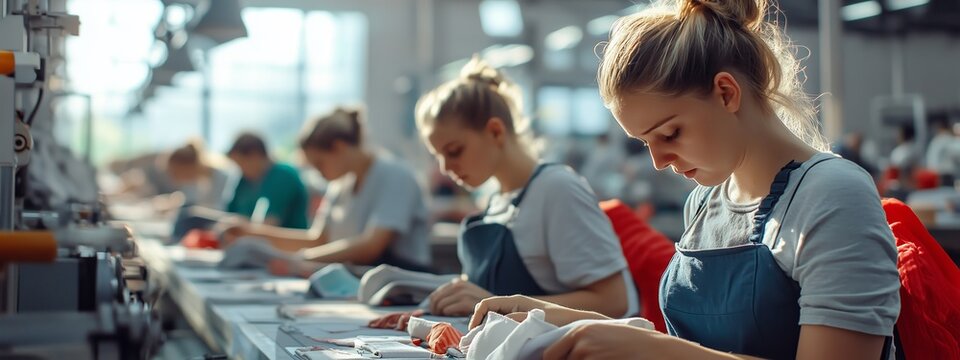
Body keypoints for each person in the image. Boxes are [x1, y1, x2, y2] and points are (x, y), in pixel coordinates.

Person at [471, 1, 901, 359]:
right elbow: (695, 348)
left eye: (670, 133)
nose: (658, 161)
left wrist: (647, 347)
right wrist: (561, 319)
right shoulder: (705, 204)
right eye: (645, 143)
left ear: (727, 93)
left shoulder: (833, 195)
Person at [414, 57, 638, 319]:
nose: (445, 168)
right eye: (438, 156)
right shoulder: (496, 202)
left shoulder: (557, 189)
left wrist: (502, 304)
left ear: (496, 132)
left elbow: (614, 301)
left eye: (454, 151)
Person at [220, 108, 432, 272]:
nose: (318, 173)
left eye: (320, 164)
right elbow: (318, 239)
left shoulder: (395, 175)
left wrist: (299, 260)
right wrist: (250, 231)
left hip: (401, 291)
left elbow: (371, 246)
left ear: (339, 147)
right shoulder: (340, 185)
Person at [110, 140, 230, 211]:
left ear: (186, 167)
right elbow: (184, 199)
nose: (173, 179)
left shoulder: (223, 180)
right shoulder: (196, 183)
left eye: (175, 173)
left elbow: (217, 210)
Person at [223, 132, 309, 229]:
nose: (240, 169)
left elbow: (270, 222)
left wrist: (240, 225)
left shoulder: (284, 176)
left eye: (241, 163)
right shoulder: (243, 181)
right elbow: (230, 215)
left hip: (287, 241)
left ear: (255, 155)